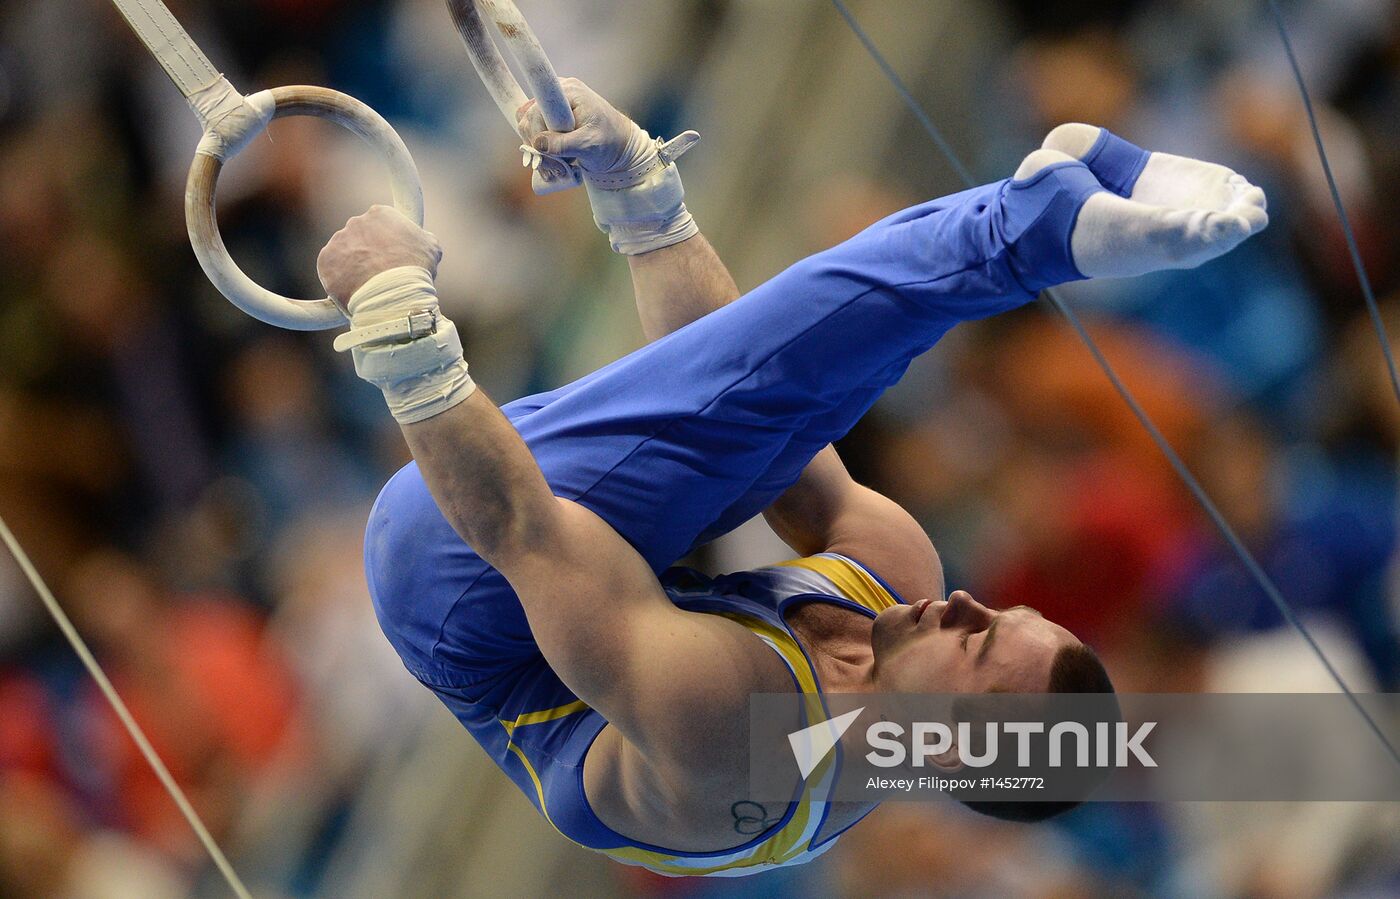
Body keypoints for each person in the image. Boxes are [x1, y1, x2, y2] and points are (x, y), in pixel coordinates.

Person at [312, 79, 1267, 876]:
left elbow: (520, 528)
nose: (970, 604)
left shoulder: (739, 741)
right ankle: (1038, 221)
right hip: (599, 556)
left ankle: (1034, 231)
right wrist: (643, 200)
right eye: (1002, 615)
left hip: (462, 575)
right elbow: (756, 398)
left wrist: (400, 330)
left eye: (977, 650)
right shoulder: (901, 578)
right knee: (789, 413)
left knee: (766, 406)